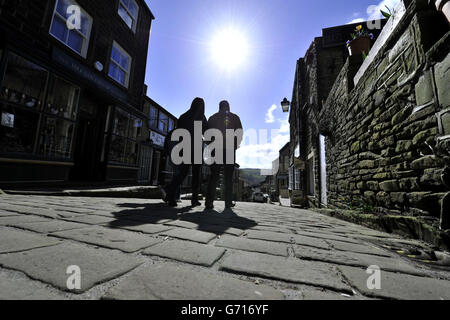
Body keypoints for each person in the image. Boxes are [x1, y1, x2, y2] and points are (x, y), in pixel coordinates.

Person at [165, 97, 208, 207]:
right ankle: (194, 199)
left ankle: (170, 196)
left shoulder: (183, 116)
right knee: (196, 175)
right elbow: (207, 133)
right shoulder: (202, 118)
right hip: (197, 149)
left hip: (184, 148)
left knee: (182, 174)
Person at [205, 101, 243, 210]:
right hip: (230, 149)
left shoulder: (212, 117)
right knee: (228, 177)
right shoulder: (235, 117)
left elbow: (206, 134)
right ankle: (228, 202)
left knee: (214, 176)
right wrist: (235, 145)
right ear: (228, 107)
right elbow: (239, 133)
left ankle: (209, 202)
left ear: (219, 107)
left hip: (215, 149)